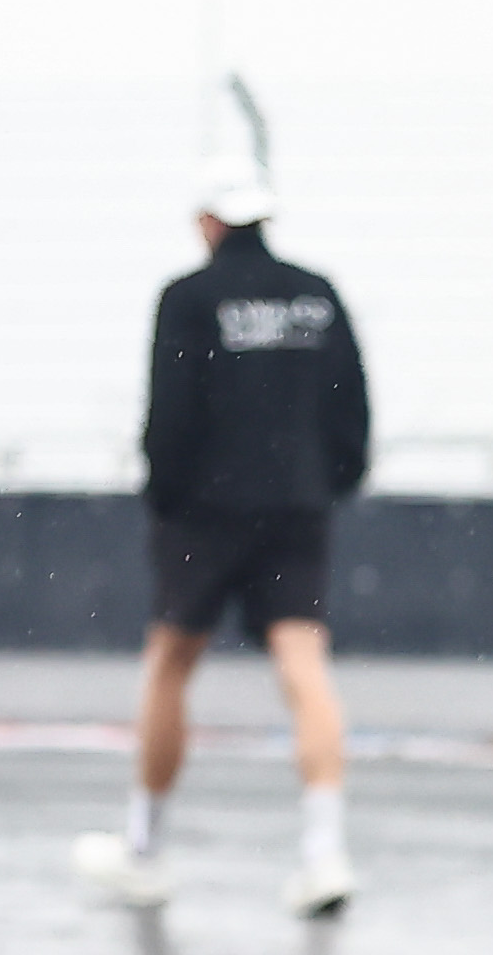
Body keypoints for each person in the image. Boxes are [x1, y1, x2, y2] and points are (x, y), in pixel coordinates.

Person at [79, 164, 372, 915]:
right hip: (298, 504)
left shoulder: (189, 297)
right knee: (304, 665)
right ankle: (325, 852)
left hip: (207, 510)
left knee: (171, 664)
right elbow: (351, 406)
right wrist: (328, 480)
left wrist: (166, 497)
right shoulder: (316, 294)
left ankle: (145, 847)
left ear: (208, 222)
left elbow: (172, 409)